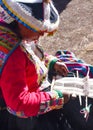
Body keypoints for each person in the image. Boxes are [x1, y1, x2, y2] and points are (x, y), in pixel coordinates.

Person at [0, 0, 70, 130]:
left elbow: (31, 54)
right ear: (23, 23)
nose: (42, 34)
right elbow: (20, 104)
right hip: (20, 118)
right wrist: (57, 98)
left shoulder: (12, 29)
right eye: (38, 30)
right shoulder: (13, 55)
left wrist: (51, 62)